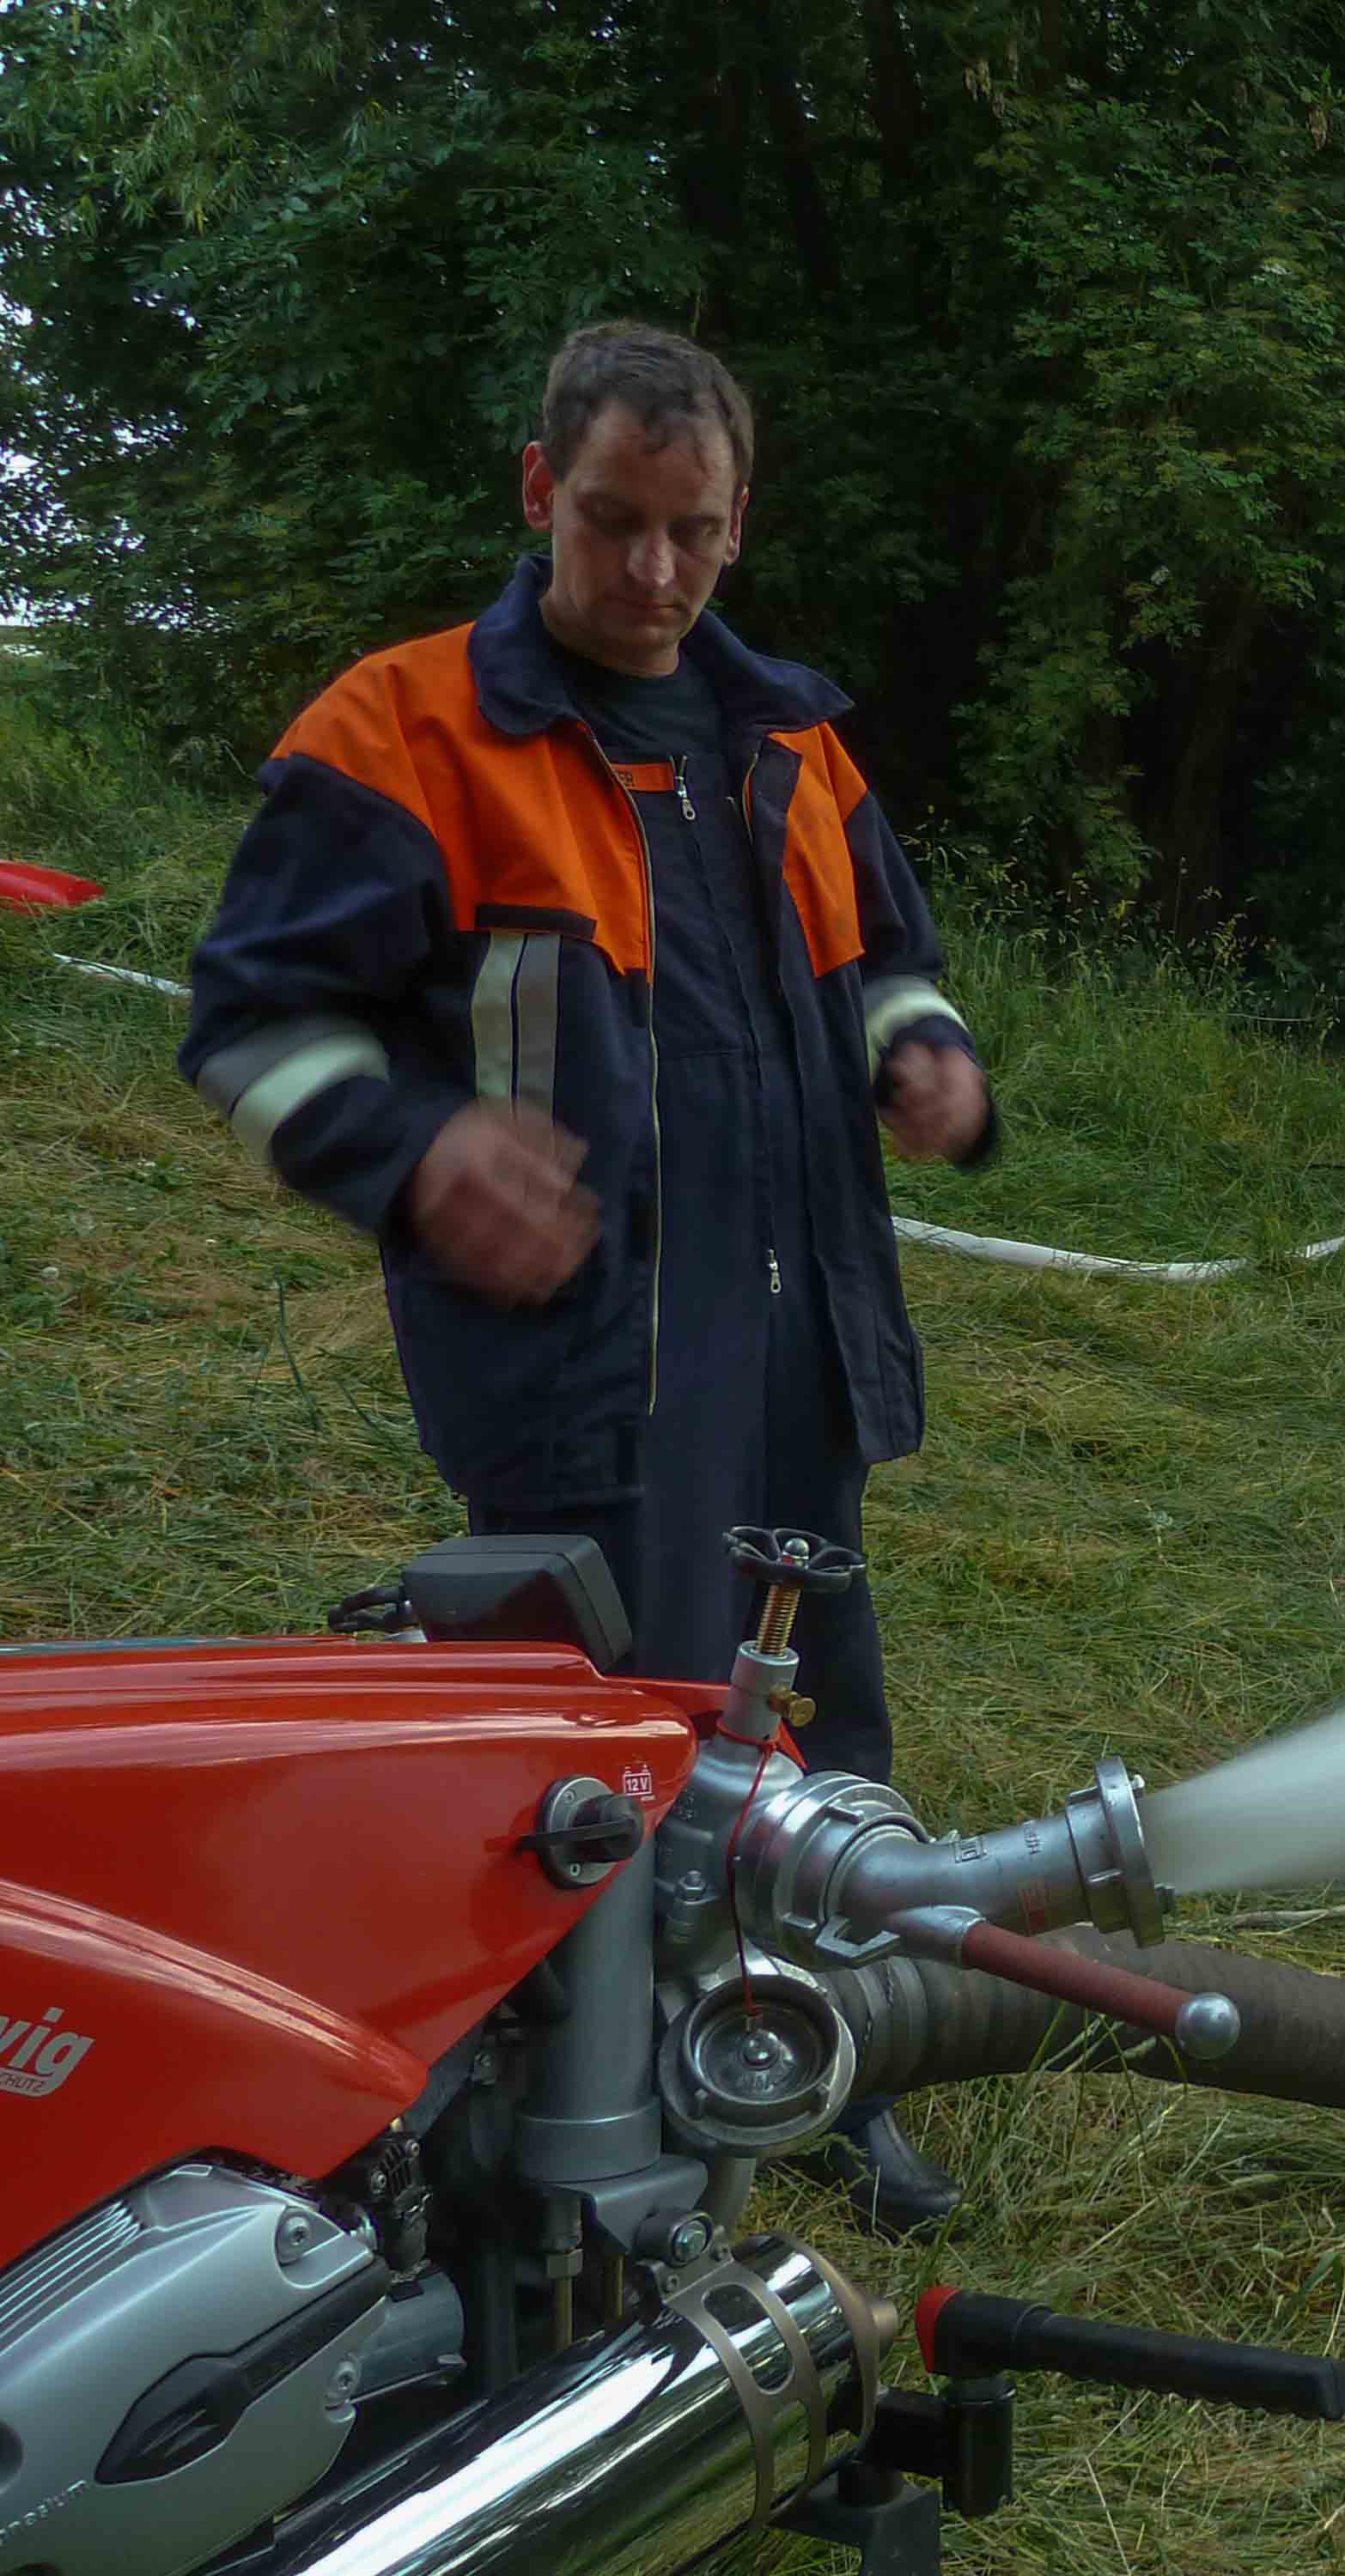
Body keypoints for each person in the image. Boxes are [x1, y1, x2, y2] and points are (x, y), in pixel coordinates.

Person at [178, 320, 990, 2233]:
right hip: (585, 1376)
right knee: (592, 1765)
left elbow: (891, 951)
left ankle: (819, 2050)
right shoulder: (400, 732)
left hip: (798, 1355)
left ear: (738, 522)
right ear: (541, 490)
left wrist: (921, 1048)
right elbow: (251, 1025)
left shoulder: (787, 736)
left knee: (818, 1737)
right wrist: (418, 1148)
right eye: (613, 523)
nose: (652, 575)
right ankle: (560, 2135)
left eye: (693, 533)